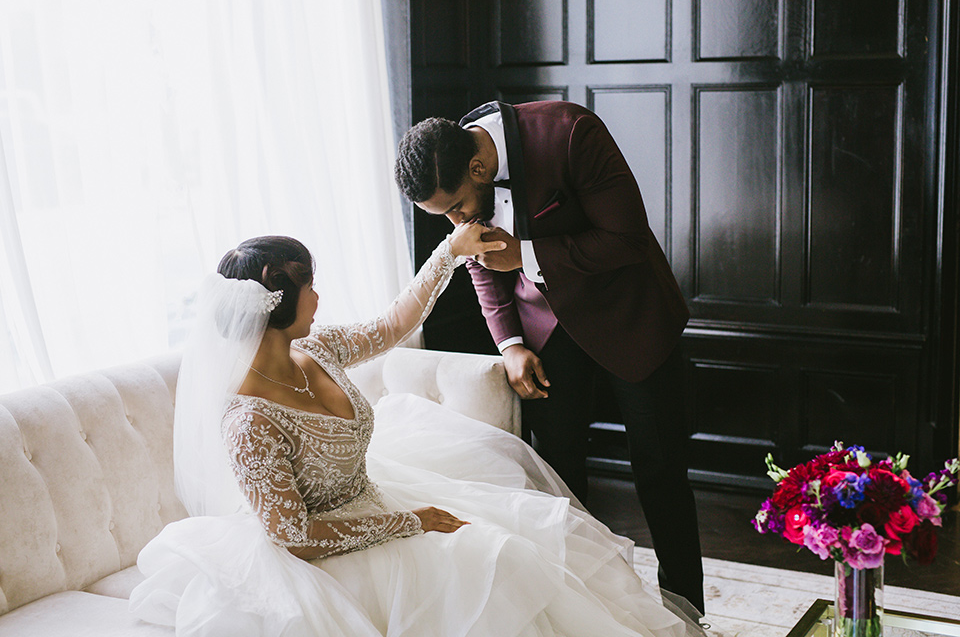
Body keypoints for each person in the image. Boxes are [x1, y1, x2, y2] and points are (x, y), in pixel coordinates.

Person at [128, 228, 703, 636]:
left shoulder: (317, 349)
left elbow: (393, 323)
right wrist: (413, 521)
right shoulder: (247, 420)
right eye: (311, 285)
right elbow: (294, 536)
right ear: (278, 299)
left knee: (514, 555)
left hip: (376, 499)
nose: (320, 296)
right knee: (479, 574)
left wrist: (449, 253)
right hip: (325, 560)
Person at [394, 100, 705, 616]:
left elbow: (626, 236)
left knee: (660, 470)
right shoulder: (461, 172)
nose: (455, 223)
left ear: (479, 168)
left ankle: (689, 611)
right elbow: (478, 260)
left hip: (630, 317)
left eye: (455, 208)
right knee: (557, 477)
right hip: (546, 335)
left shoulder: (570, 133)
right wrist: (510, 344)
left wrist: (528, 256)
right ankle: (588, 609)